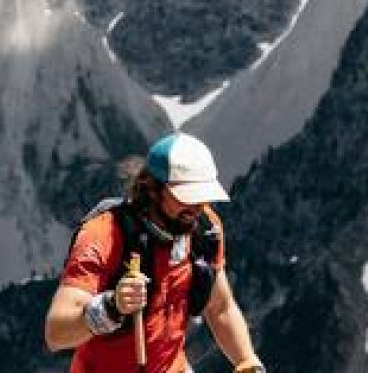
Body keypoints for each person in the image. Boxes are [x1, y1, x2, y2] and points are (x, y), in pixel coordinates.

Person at [45, 132, 265, 373]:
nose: (197, 208)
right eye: (187, 198)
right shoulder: (104, 234)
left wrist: (247, 361)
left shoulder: (204, 231)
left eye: (202, 197)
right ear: (152, 189)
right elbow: (56, 334)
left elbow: (220, 307)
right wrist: (111, 307)